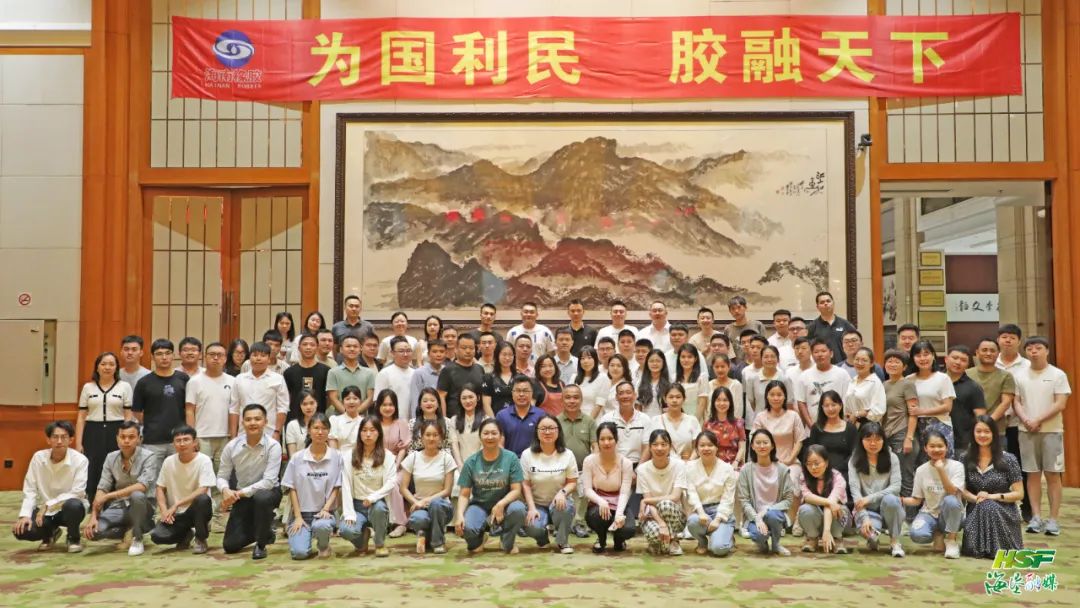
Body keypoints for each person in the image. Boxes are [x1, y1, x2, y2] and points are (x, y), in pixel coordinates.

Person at [1012, 336, 1071, 536]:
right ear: (1026, 352)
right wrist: (1026, 420)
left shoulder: (1058, 374)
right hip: (1026, 431)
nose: (1034, 352)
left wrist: (1037, 419)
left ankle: (1053, 519)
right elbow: (1016, 402)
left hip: (1052, 431)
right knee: (1032, 474)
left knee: (1053, 475)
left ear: (1047, 351)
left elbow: (1060, 403)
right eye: (1030, 349)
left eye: (1038, 348)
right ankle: (1036, 517)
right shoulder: (1019, 375)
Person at [218, 404, 282, 559]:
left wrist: (237, 494)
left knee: (262, 498)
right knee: (230, 546)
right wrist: (225, 490)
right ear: (242, 423)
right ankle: (266, 530)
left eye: (257, 419)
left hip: (268, 493)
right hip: (242, 495)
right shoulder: (232, 446)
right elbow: (221, 476)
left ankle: (261, 545)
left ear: (265, 422)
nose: (253, 423)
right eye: (248, 419)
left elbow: (268, 482)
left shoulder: (273, 446)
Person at [13, 421, 89, 553]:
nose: (59, 441)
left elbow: (78, 492)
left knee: (73, 505)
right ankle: (50, 534)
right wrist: (25, 515)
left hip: (68, 509)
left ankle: (73, 538)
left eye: (64, 437)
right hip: (44, 512)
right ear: (48, 440)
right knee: (22, 531)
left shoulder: (80, 460)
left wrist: (49, 504)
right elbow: (30, 489)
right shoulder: (38, 458)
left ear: (71, 440)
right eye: (55, 437)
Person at [455, 418, 528, 554]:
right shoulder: (471, 462)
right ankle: (479, 539)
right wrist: (459, 515)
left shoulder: (511, 458)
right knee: (468, 530)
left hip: (506, 504)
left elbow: (516, 490)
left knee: (518, 509)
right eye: (486, 433)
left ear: (501, 436)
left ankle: (507, 540)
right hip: (480, 504)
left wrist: (501, 504)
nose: (490, 437)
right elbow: (464, 494)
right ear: (480, 436)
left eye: (494, 433)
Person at [82, 421, 155, 556]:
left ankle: (137, 538)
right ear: (117, 439)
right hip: (119, 506)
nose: (126, 441)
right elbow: (102, 488)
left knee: (137, 495)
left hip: (143, 505)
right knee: (93, 532)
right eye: (123, 437)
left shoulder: (149, 457)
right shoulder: (111, 458)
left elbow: (142, 486)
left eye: (131, 437)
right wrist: (93, 516)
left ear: (139, 439)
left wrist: (109, 496)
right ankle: (129, 530)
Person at [961, 415, 1024, 558]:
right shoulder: (965, 458)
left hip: (1004, 508)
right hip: (976, 507)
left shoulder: (1009, 459)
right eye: (978, 431)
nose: (982, 435)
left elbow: (1019, 493)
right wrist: (977, 498)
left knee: (989, 505)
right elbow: (962, 490)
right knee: (985, 505)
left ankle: (998, 548)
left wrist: (991, 497)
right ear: (973, 433)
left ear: (994, 434)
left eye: (987, 431)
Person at [281, 413, 342, 560]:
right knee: (299, 553)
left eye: (324, 428)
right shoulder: (297, 458)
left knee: (322, 526)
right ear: (309, 430)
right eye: (316, 428)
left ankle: (323, 545)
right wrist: (297, 517)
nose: (320, 432)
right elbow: (292, 488)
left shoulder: (337, 456)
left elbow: (336, 487)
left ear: (329, 431)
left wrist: (326, 509)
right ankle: (303, 535)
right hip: (301, 513)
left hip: (324, 513)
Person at [75, 351, 133, 503]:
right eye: (103, 364)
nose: (107, 367)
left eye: (111, 364)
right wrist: (78, 443)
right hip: (93, 431)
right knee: (93, 465)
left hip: (117, 430)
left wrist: (127, 436)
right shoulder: (88, 387)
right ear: (97, 367)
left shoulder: (125, 386)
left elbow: (128, 415)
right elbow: (81, 417)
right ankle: (92, 499)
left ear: (116, 368)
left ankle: (114, 500)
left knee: (116, 464)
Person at [132, 339, 189, 485]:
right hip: (153, 441)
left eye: (168, 353)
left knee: (179, 480)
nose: (164, 357)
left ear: (173, 355)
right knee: (152, 482)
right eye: (159, 354)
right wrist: (154, 423)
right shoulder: (144, 382)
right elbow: (137, 412)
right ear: (152, 357)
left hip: (179, 439)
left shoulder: (183, 379)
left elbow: (189, 408)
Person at [149, 425, 214, 554]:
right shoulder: (168, 461)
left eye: (186, 439)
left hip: (196, 510)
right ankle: (186, 534)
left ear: (195, 442)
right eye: (178, 440)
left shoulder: (204, 460)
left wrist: (176, 504)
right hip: (176, 514)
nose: (182, 443)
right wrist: (164, 511)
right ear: (173, 444)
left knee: (203, 499)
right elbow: (160, 488)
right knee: (157, 536)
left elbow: (202, 489)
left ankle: (201, 538)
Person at [521, 414, 580, 554]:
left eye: (551, 428)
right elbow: (525, 484)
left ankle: (562, 541)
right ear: (537, 431)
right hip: (537, 504)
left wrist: (562, 493)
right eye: (543, 429)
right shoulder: (527, 455)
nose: (547, 432)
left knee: (564, 507)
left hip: (559, 501)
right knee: (531, 525)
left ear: (558, 431)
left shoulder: (567, 454)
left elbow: (572, 482)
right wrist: (531, 508)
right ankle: (542, 539)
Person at [339, 416, 397, 557]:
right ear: (359, 433)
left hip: (376, 503)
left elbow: (391, 482)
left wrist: (373, 497)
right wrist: (349, 512)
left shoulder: (387, 456)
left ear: (379, 433)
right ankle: (361, 541)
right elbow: (345, 484)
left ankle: (379, 544)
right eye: (364, 430)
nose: (368, 434)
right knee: (346, 530)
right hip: (356, 505)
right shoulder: (349, 456)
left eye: (372, 430)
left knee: (379, 509)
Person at [903, 429, 965, 559]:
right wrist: (901, 500)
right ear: (925, 448)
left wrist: (941, 470)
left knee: (951, 500)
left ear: (946, 447)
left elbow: (953, 491)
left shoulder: (957, 466)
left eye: (940, 446)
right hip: (929, 513)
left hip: (952, 513)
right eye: (932, 446)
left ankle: (951, 540)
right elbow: (917, 500)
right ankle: (938, 533)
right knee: (917, 535)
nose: (936, 449)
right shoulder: (921, 470)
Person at [401, 419, 457, 554]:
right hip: (420, 506)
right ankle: (426, 534)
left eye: (435, 435)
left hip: (442, 506)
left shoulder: (447, 458)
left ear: (441, 438)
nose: (431, 438)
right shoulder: (413, 457)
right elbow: (403, 488)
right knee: (417, 519)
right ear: (421, 437)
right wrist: (416, 502)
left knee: (436, 504)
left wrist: (426, 501)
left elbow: (447, 491)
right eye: (428, 435)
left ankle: (437, 542)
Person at [849, 422, 905, 557]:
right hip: (866, 509)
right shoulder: (854, 460)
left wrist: (869, 498)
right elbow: (855, 493)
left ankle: (894, 542)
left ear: (883, 440)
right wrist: (864, 517)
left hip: (888, 507)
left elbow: (896, 487)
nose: (873, 443)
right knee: (870, 533)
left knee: (892, 499)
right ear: (861, 440)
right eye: (868, 439)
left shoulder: (892, 458)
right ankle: (872, 538)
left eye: (877, 439)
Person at [184, 342, 233, 496]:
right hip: (202, 436)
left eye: (220, 355)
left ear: (225, 358)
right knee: (202, 477)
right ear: (205, 357)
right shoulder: (194, 381)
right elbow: (189, 410)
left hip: (225, 436)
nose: (216, 358)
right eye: (212, 355)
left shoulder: (232, 381)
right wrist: (193, 437)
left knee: (222, 477)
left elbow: (234, 411)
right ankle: (205, 506)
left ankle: (219, 507)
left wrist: (233, 436)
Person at [738, 429, 794, 556]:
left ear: (772, 445)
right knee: (759, 535)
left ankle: (776, 544)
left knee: (772, 515)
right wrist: (757, 518)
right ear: (752, 446)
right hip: (754, 517)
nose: (762, 446)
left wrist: (767, 510)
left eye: (765, 442)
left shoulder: (782, 470)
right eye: (758, 443)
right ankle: (762, 544)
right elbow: (744, 501)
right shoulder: (746, 470)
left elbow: (788, 500)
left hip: (775, 514)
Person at [581, 422, 636, 553]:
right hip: (598, 503)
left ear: (616, 440)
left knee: (628, 529)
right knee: (596, 516)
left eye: (610, 438)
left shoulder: (626, 463)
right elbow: (587, 489)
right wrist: (601, 501)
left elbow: (624, 492)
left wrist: (619, 515)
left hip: (619, 502)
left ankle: (619, 540)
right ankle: (601, 539)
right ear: (598, 441)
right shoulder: (589, 461)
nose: (606, 442)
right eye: (602, 439)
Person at [996, 323, 1032, 520]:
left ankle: (1027, 507)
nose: (1008, 340)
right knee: (999, 466)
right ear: (998, 340)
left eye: (1012, 337)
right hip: (995, 425)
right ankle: (1001, 506)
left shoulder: (1027, 365)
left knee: (1020, 465)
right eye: (1004, 337)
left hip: (1019, 424)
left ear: (1019, 341)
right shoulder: (992, 362)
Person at [685, 430, 738, 557]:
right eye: (702, 445)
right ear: (697, 449)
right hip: (702, 512)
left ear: (716, 448)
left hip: (721, 512)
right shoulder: (689, 467)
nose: (706, 448)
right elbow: (691, 493)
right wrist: (701, 512)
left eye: (710, 445)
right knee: (692, 521)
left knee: (719, 549)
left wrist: (718, 519)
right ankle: (702, 541)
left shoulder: (727, 469)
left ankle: (727, 536)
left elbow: (728, 498)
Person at [636, 429, 688, 556]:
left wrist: (646, 500)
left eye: (664, 444)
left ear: (670, 447)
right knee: (655, 535)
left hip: (674, 514)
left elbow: (675, 497)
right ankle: (661, 543)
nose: (659, 448)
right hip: (652, 515)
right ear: (649, 447)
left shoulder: (679, 465)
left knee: (666, 504)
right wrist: (661, 523)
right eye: (655, 444)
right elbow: (649, 505)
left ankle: (673, 540)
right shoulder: (642, 470)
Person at [882, 350, 919, 518]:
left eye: (897, 361)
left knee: (906, 476)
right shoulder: (884, 384)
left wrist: (909, 438)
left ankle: (909, 518)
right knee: (892, 477)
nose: (892, 364)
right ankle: (893, 516)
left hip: (902, 433)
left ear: (904, 367)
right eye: (889, 361)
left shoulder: (907, 384)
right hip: (886, 435)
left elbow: (913, 413)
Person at [556, 385, 597, 539]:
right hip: (560, 470)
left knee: (582, 494)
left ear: (581, 400)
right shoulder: (555, 421)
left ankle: (579, 523)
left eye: (576, 397)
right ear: (562, 400)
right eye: (568, 397)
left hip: (582, 470)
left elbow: (595, 446)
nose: (572, 401)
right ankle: (561, 524)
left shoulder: (589, 421)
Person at [797, 444, 852, 554]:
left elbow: (832, 503)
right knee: (805, 509)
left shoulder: (837, 478)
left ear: (826, 463)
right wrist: (829, 502)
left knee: (840, 509)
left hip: (837, 522)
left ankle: (837, 538)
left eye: (816, 463)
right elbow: (807, 497)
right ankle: (812, 538)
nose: (813, 467)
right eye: (809, 464)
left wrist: (826, 530)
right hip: (815, 520)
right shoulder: (803, 477)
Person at [230, 342, 289, 442]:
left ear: (269, 359)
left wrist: (277, 432)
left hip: (269, 434)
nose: (258, 358)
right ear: (249, 358)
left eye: (263, 355)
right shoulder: (239, 379)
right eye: (255, 355)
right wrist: (233, 436)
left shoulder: (278, 379)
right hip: (243, 434)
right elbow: (234, 409)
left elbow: (282, 408)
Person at [909, 340, 957, 463]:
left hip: (940, 424)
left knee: (943, 463)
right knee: (923, 465)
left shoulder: (943, 378)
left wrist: (921, 411)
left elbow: (947, 407)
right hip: (917, 427)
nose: (922, 358)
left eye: (926, 354)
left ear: (933, 356)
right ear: (913, 358)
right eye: (918, 355)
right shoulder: (909, 380)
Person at [375, 390, 410, 539]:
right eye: (384, 405)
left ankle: (400, 523)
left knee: (394, 483)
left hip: (398, 465)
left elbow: (403, 448)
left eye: (391, 404)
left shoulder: (402, 423)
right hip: (377, 463)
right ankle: (375, 524)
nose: (388, 408)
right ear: (378, 406)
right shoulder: (374, 423)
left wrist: (395, 465)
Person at [796, 339, 850, 429]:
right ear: (812, 355)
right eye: (816, 352)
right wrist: (811, 426)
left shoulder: (842, 374)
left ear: (831, 353)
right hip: (813, 427)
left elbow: (847, 399)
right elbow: (801, 402)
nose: (820, 354)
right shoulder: (804, 376)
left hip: (839, 427)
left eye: (823, 351)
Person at [968, 337, 1017, 437]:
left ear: (998, 354)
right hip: (969, 428)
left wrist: (987, 423)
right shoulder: (966, 374)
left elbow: (1005, 403)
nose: (988, 353)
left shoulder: (1006, 376)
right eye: (984, 350)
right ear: (977, 353)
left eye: (992, 351)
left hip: (996, 429)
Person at [808, 391, 858, 488]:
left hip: (844, 473)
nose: (830, 408)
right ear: (822, 408)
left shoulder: (850, 428)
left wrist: (836, 470)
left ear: (840, 405)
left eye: (833, 404)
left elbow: (854, 455)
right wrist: (822, 469)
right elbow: (811, 453)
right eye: (826, 406)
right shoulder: (816, 428)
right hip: (820, 472)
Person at [945, 345, 987, 454]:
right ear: (946, 359)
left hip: (962, 443)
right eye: (955, 358)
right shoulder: (935, 381)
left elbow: (980, 417)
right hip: (935, 440)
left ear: (968, 365)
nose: (958, 362)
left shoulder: (974, 387)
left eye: (963, 360)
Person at [598, 381, 650, 465]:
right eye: (621, 393)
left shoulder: (645, 419)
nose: (625, 396)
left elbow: (647, 447)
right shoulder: (607, 419)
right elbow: (602, 446)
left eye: (628, 392)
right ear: (616, 397)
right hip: (613, 464)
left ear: (635, 395)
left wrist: (639, 469)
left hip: (638, 464)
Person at [646, 384, 701, 462]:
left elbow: (697, 447)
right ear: (665, 399)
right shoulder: (656, 420)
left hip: (687, 464)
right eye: (671, 397)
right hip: (663, 464)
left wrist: (689, 461)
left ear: (684, 399)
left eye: (678, 397)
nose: (674, 400)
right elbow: (650, 447)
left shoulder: (692, 420)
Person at [494, 375, 546, 457]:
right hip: (510, 461)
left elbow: (545, 441)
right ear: (512, 393)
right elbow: (499, 443)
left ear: (532, 393)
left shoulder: (541, 415)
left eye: (525, 391)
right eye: (518, 391)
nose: (521, 394)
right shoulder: (502, 416)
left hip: (535, 460)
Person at [438, 333, 484, 419]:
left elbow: (482, 396)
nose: (468, 351)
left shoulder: (480, 369)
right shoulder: (447, 370)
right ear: (456, 349)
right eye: (464, 348)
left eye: (471, 348)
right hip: (454, 419)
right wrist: (444, 420)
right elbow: (441, 396)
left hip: (477, 418)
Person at [326, 335, 375, 415]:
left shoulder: (369, 373)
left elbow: (370, 398)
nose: (352, 349)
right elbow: (333, 398)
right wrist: (347, 415)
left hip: (361, 418)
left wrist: (355, 414)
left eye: (355, 346)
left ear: (360, 349)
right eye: (348, 346)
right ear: (341, 349)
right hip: (338, 417)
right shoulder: (333, 372)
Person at [283, 333, 330, 417]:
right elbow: (286, 398)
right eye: (305, 344)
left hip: (318, 418)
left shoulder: (326, 371)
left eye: (312, 345)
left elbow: (330, 397)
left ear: (317, 348)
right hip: (294, 418)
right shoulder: (289, 372)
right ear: (299, 348)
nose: (308, 347)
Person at [806, 291, 857, 364]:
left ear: (833, 303)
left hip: (844, 366)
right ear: (817, 307)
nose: (826, 303)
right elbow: (807, 348)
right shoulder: (812, 327)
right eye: (822, 302)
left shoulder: (845, 324)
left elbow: (856, 344)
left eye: (828, 301)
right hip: (822, 366)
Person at [374, 336, 416, 420]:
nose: (405, 354)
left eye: (408, 351)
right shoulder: (384, 373)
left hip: (413, 420)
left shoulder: (416, 373)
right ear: (392, 353)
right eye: (401, 351)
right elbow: (378, 401)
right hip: (392, 421)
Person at [745, 344, 791, 419]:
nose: (769, 360)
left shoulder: (785, 379)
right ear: (761, 359)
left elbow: (789, 403)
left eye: (773, 356)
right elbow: (752, 402)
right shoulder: (752, 379)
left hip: (781, 420)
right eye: (766, 357)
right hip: (760, 420)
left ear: (778, 359)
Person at [704, 387, 746, 468]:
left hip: (734, 465)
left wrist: (736, 462)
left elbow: (742, 448)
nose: (722, 403)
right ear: (713, 402)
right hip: (713, 465)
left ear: (730, 402)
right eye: (718, 400)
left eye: (725, 400)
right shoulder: (707, 424)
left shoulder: (738, 423)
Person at [844, 346, 887, 424]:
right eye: (857, 359)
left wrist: (857, 414)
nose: (860, 363)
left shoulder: (875, 382)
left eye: (864, 360)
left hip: (868, 425)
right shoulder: (853, 381)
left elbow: (879, 409)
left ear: (871, 363)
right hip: (851, 424)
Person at [723, 296, 767, 361]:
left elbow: (765, 346)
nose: (736, 311)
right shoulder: (728, 329)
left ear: (745, 307)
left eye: (739, 307)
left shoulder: (757, 325)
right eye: (733, 309)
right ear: (730, 311)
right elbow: (727, 350)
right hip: (736, 365)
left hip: (756, 362)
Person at [411, 339, 447, 417]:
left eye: (442, 351)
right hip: (424, 418)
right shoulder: (419, 373)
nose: (438, 354)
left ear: (446, 354)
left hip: (445, 418)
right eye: (434, 351)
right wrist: (416, 420)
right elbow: (415, 400)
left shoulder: (448, 372)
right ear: (428, 354)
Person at [707, 354, 747, 425]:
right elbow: (707, 409)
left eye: (723, 366)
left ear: (729, 367)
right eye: (717, 367)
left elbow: (738, 409)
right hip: (712, 424)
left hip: (732, 425)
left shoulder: (736, 385)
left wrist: (731, 425)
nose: (720, 370)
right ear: (713, 368)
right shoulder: (708, 385)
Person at [671, 343, 710, 415]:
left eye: (690, 357)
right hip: (678, 415)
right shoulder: (674, 377)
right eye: (683, 357)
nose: (686, 360)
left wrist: (695, 420)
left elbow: (702, 403)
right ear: (679, 358)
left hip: (696, 415)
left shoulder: (702, 377)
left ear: (695, 359)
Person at [482, 341, 518, 418]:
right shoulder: (488, 378)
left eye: (510, 355)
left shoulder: (520, 378)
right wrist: (494, 422)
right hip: (496, 419)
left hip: (517, 419)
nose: (507, 358)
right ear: (497, 355)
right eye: (504, 354)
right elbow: (486, 404)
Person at [576, 346, 609, 421]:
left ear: (595, 360)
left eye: (589, 358)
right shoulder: (574, 378)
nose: (586, 361)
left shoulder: (603, 378)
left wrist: (587, 424)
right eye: (582, 358)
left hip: (594, 421)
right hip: (575, 419)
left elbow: (599, 405)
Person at [329, 386, 366, 454]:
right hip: (340, 458)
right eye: (348, 399)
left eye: (355, 398)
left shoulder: (365, 422)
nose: (351, 402)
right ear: (342, 402)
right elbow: (333, 449)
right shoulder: (335, 420)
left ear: (360, 401)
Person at [637, 349, 672, 417]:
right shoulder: (640, 383)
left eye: (658, 361)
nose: (655, 364)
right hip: (645, 420)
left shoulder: (670, 383)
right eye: (651, 361)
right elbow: (638, 407)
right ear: (647, 363)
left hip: (663, 420)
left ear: (663, 363)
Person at [285, 390, 319, 457]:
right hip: (299, 462)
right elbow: (292, 456)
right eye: (304, 404)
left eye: (311, 403)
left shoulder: (324, 424)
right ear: (300, 406)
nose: (308, 407)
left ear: (317, 403)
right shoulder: (292, 425)